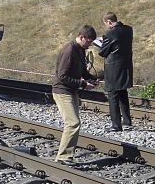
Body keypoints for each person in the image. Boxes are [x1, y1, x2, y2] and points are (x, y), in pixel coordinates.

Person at [52, 25, 98, 163]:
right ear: (81, 37)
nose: (89, 45)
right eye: (89, 41)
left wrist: (91, 79)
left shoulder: (80, 50)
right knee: (73, 123)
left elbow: (82, 71)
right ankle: (63, 157)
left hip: (71, 90)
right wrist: (83, 84)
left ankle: (66, 156)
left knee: (73, 123)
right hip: (62, 91)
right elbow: (62, 76)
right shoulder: (69, 51)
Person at [97, 12, 134, 132]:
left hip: (113, 68)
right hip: (125, 66)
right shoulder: (129, 30)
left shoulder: (109, 33)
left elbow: (102, 52)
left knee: (113, 95)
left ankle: (116, 125)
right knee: (123, 93)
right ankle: (127, 122)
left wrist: (99, 43)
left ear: (108, 22)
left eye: (106, 24)